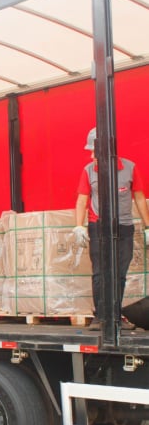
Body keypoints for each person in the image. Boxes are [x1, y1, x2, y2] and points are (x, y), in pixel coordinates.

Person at [73, 127, 149, 330]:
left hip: (124, 227)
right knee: (100, 272)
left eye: (93, 150)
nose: (91, 156)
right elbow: (82, 200)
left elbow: (139, 197)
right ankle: (100, 316)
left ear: (106, 149)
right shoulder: (89, 170)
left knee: (119, 273)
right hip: (98, 227)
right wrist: (79, 226)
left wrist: (148, 226)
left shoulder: (130, 168)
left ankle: (115, 315)